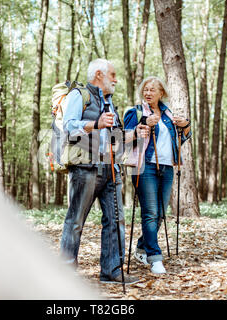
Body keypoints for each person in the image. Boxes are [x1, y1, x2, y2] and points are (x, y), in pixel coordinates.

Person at [59, 59, 149, 284]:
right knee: (75, 221)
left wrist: (135, 133)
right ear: (99, 74)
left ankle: (112, 271)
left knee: (116, 220)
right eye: (113, 75)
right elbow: (68, 126)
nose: (116, 79)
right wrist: (95, 124)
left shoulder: (110, 103)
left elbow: (116, 138)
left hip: (112, 168)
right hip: (85, 168)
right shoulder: (79, 95)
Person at [123, 76, 191, 274]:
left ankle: (142, 247)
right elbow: (124, 138)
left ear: (161, 93)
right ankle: (155, 258)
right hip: (145, 167)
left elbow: (183, 137)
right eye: (146, 89)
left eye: (153, 89)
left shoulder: (169, 114)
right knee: (150, 213)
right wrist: (145, 124)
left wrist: (185, 124)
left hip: (167, 167)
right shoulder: (135, 112)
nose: (148, 93)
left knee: (160, 214)